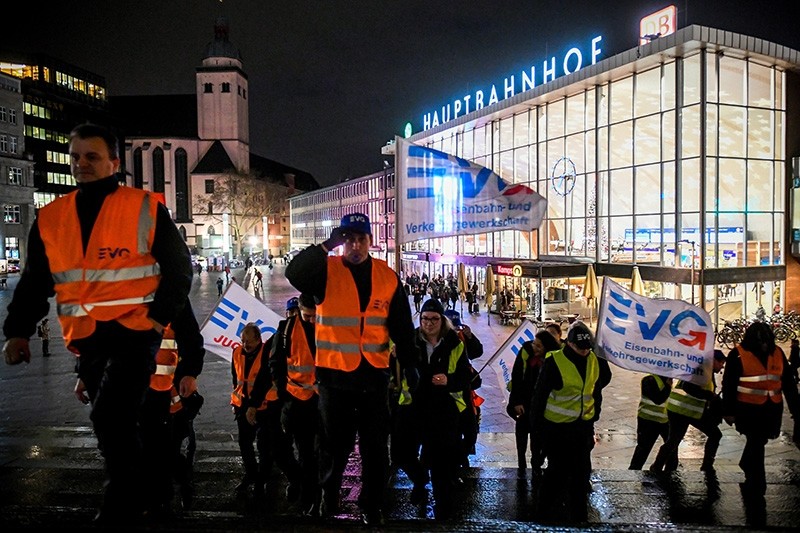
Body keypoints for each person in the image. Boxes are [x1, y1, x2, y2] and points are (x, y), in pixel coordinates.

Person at [2, 123, 193, 524]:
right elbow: (36, 281)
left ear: (113, 163)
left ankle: (121, 503)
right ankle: (143, 490)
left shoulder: (143, 207)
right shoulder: (51, 217)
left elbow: (179, 270)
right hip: (86, 339)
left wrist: (156, 320)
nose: (81, 164)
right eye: (75, 157)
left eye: (91, 156)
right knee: (114, 423)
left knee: (109, 416)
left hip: (135, 334)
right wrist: (18, 331)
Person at [285, 212, 416, 526]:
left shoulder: (387, 276)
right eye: (349, 239)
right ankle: (327, 497)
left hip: (374, 377)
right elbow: (294, 272)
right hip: (335, 377)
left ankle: (372, 505)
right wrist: (326, 245)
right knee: (332, 446)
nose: (355, 245)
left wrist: (411, 366)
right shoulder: (326, 271)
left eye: (361, 239)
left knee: (375, 449)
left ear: (370, 241)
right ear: (342, 242)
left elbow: (401, 325)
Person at [395, 298, 472, 520]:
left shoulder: (454, 343)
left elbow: (465, 376)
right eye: (425, 318)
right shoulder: (410, 341)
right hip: (413, 406)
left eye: (434, 319)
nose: (428, 323)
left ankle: (443, 509)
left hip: (443, 409)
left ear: (442, 320)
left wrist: (448, 380)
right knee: (401, 453)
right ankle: (420, 479)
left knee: (441, 462)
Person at [531, 322, 612, 523]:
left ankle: (579, 518)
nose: (584, 352)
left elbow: (599, 384)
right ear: (570, 344)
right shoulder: (554, 362)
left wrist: (594, 416)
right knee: (556, 474)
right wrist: (538, 435)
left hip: (582, 428)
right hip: (557, 430)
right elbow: (539, 399)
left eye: (587, 348)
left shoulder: (593, 358)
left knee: (581, 475)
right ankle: (542, 517)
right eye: (581, 348)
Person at [140, 300, 205, 516]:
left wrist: (190, 373)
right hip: (135, 392)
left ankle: (166, 496)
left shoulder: (173, 298)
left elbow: (191, 338)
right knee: (146, 449)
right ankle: (156, 498)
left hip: (166, 394)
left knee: (165, 450)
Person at [722, 322, 800, 500]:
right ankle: (758, 483)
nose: (764, 344)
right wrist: (728, 411)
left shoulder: (777, 353)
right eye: (760, 340)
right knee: (756, 442)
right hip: (748, 409)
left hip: (771, 408)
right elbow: (729, 384)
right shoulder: (738, 354)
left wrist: (796, 410)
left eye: (766, 340)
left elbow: (788, 383)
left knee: (759, 441)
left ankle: (746, 464)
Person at [269, 293, 320, 514]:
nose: (311, 320)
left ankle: (312, 497)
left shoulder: (326, 326)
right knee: (300, 451)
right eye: (307, 316)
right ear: (299, 310)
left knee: (313, 453)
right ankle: (305, 491)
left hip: (320, 402)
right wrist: (284, 393)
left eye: (315, 316)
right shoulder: (286, 329)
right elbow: (275, 362)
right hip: (296, 401)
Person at [650, 350, 726, 472]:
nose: (722, 366)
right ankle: (707, 466)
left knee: (673, 440)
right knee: (715, 435)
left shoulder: (702, 369)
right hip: (684, 409)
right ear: (714, 360)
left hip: (679, 408)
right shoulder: (702, 370)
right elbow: (689, 387)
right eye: (721, 363)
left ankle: (657, 466)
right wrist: (710, 396)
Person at [507, 330, 560, 474]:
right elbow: (517, 376)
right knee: (522, 432)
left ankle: (537, 463)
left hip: (543, 405)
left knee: (539, 437)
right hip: (525, 401)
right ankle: (522, 463)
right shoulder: (526, 351)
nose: (534, 348)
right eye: (534, 344)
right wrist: (517, 402)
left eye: (538, 346)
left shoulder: (554, 358)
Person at [628, 373, 673, 470]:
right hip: (648, 420)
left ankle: (666, 470)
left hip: (665, 420)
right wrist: (668, 386)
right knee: (643, 449)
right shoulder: (648, 380)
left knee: (671, 448)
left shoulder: (669, 380)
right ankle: (634, 471)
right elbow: (658, 399)